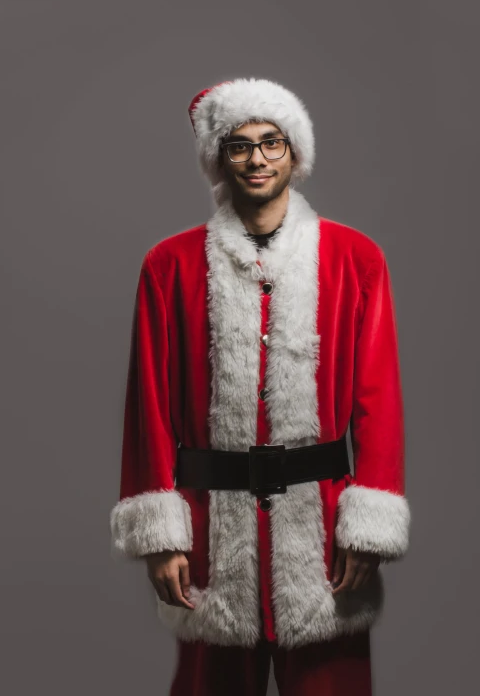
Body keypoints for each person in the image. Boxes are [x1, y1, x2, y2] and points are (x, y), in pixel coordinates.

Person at [109, 77, 411, 695]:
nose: (257, 158)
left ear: (294, 154)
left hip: (324, 531)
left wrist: (368, 527)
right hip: (210, 535)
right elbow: (151, 408)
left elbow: (378, 401)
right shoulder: (168, 266)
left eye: (271, 142)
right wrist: (161, 538)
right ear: (219, 160)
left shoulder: (357, 259)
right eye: (239, 145)